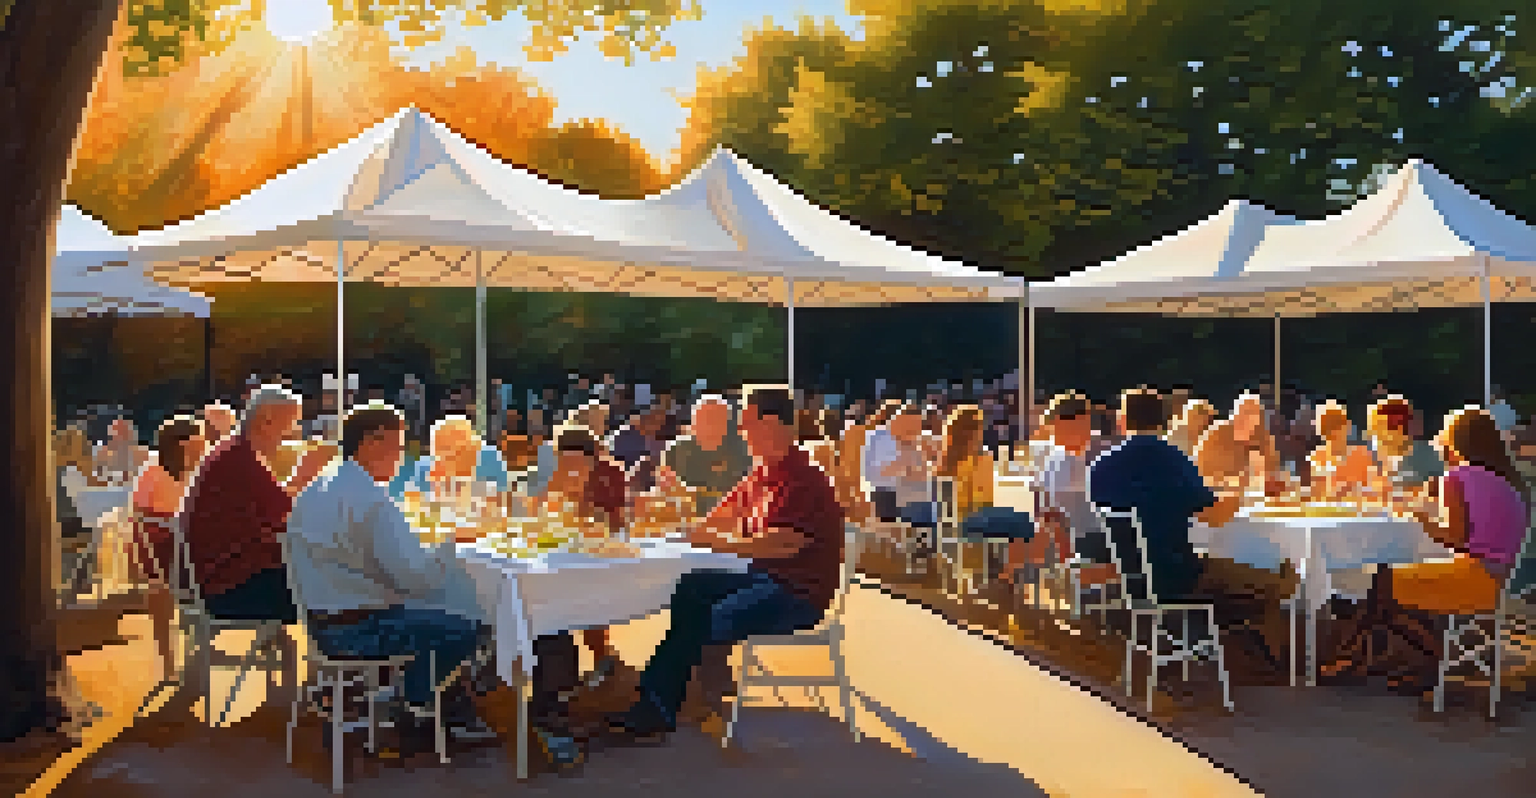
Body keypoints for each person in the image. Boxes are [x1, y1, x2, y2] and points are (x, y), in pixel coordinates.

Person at [609, 387, 844, 739]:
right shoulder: (763, 472)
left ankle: (678, 702)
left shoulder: (802, 476)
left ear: (769, 422)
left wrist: (713, 540)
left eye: (746, 423)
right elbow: (721, 516)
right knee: (691, 589)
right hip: (766, 579)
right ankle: (666, 700)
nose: (741, 432)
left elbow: (783, 544)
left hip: (796, 595)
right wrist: (678, 530)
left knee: (708, 617)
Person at [286, 404, 495, 744]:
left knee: (448, 609)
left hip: (322, 620)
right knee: (471, 623)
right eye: (398, 447)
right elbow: (418, 579)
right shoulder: (372, 499)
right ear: (371, 443)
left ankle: (433, 701)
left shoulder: (320, 486)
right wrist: (452, 542)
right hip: (357, 630)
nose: (401, 457)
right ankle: (415, 704)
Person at [1090, 388, 1295, 674]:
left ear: (1122, 421)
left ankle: (1217, 648)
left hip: (1130, 579)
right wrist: (1242, 495)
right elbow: (1214, 517)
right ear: (1163, 421)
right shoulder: (1173, 460)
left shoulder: (1100, 467)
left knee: (1242, 576)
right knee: (1282, 580)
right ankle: (1266, 665)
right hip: (1179, 577)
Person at [1322, 407, 1529, 690]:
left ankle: (1429, 661)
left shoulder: (1457, 477)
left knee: (1380, 585)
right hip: (1496, 582)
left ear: (1455, 442)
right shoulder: (1506, 483)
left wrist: (1422, 517)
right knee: (1387, 590)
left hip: (1472, 579)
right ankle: (1380, 662)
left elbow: (1453, 538)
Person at [182, 385, 332, 625]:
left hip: (220, 580)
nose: (292, 436)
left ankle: (296, 646)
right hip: (233, 588)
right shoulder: (241, 459)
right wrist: (306, 474)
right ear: (266, 422)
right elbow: (290, 513)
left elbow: (277, 511)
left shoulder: (233, 452)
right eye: (289, 427)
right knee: (343, 587)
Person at [131, 416, 208, 679]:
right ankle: (196, 651)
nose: (206, 443)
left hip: (156, 556)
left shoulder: (151, 470)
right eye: (201, 439)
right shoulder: (196, 473)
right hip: (182, 556)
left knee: (159, 587)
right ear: (185, 444)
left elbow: (138, 512)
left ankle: (169, 659)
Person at [658, 396, 752, 515]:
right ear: (694, 423)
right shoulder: (676, 452)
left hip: (729, 516)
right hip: (684, 515)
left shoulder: (742, 451)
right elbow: (667, 490)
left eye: (717, 419)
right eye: (705, 419)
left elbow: (746, 494)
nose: (711, 425)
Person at [390, 416, 510, 501]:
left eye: (460, 451)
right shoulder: (425, 470)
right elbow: (408, 504)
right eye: (443, 452)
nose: (450, 458)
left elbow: (506, 499)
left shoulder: (490, 458)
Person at [1193, 393, 1282, 493]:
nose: (1246, 422)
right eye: (1242, 417)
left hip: (1251, 495)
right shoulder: (1214, 436)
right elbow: (1201, 478)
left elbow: (1272, 475)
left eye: (1253, 418)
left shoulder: (1262, 438)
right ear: (1234, 416)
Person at [863, 403, 934, 525]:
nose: (916, 431)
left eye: (918, 427)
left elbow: (925, 470)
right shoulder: (879, 437)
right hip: (887, 497)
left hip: (916, 499)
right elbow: (872, 474)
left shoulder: (920, 440)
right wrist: (905, 465)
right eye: (913, 427)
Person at [1307, 400, 1377, 499]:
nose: (1334, 432)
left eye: (1338, 424)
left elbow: (1374, 489)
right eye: (1328, 427)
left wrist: (1354, 490)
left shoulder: (1362, 455)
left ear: (1348, 425)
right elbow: (1316, 493)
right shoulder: (1317, 457)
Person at [95, 417, 148, 484]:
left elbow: (145, 478)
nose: (116, 438)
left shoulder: (142, 454)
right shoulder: (103, 455)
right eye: (113, 436)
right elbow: (97, 479)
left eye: (121, 434)